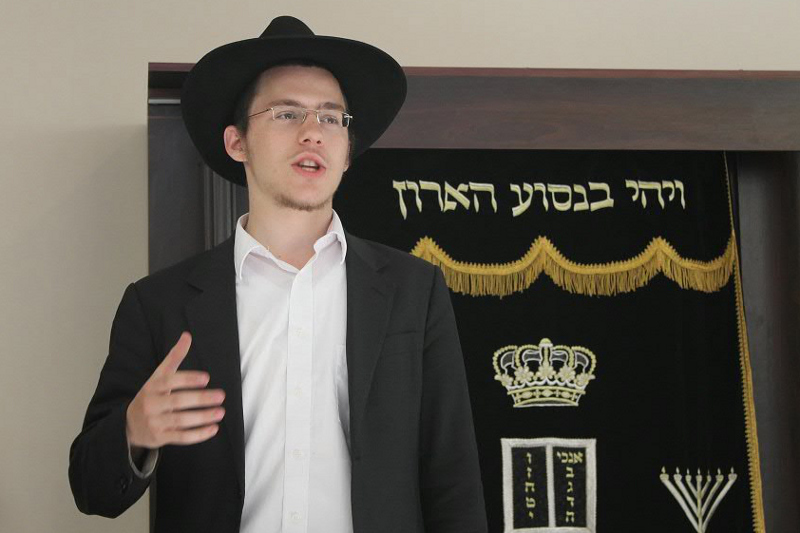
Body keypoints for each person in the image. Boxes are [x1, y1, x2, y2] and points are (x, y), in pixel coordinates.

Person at [69, 15, 487, 533]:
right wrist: (133, 431)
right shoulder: (159, 303)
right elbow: (89, 489)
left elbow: (453, 479)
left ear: (347, 151)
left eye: (332, 118)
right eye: (287, 113)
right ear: (237, 142)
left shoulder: (413, 291)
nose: (314, 132)